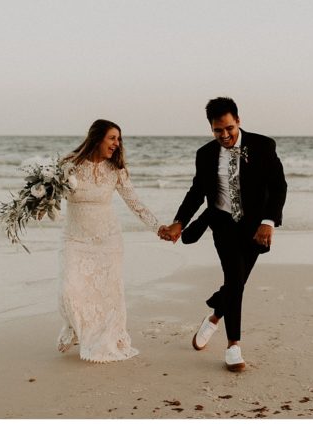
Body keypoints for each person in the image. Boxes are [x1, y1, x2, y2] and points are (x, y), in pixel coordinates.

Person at [159, 98, 287, 373]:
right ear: (211, 128)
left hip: (255, 227)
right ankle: (233, 346)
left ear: (238, 121)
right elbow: (196, 192)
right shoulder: (205, 154)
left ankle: (215, 316)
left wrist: (268, 221)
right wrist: (179, 222)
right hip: (223, 223)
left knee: (236, 283)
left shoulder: (264, 146)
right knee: (234, 279)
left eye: (229, 128)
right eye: (218, 130)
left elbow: (278, 186)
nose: (225, 135)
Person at [57, 119, 162, 362]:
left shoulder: (116, 170)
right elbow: (52, 197)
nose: (117, 143)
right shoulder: (68, 164)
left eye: (118, 139)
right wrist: (37, 206)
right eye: (112, 138)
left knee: (107, 294)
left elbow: (134, 202)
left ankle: (102, 338)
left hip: (107, 240)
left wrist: (158, 227)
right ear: (97, 138)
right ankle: (76, 327)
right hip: (75, 238)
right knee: (69, 289)